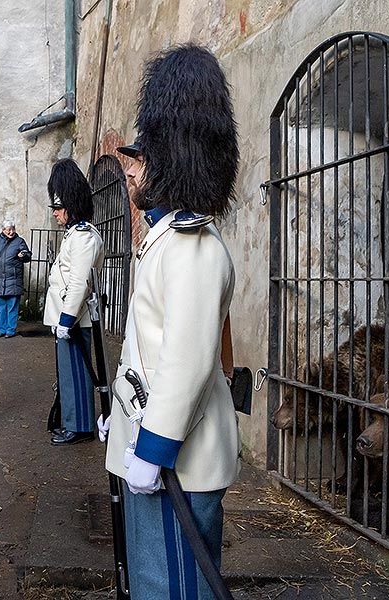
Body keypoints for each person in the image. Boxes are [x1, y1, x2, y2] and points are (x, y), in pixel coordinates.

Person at [101, 45, 241, 599]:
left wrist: (153, 447)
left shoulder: (193, 246)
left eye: (139, 158)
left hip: (177, 461)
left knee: (173, 588)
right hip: (153, 445)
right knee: (154, 582)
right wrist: (125, 417)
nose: (131, 170)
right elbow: (148, 352)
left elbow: (185, 363)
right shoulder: (166, 240)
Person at [43, 158, 105, 446]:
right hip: (67, 319)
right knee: (67, 375)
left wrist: (66, 320)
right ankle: (71, 421)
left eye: (58, 208)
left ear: (70, 207)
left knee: (76, 376)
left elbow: (79, 283)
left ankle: (79, 426)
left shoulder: (84, 237)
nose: (55, 214)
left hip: (75, 320)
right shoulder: (75, 235)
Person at [0, 220, 31, 338]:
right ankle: (1, 329)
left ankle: (10, 330)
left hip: (14, 279)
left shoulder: (19, 241)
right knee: (0, 307)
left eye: (13, 229)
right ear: (3, 230)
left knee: (12, 307)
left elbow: (28, 255)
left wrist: (23, 255)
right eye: (8, 229)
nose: (11, 232)